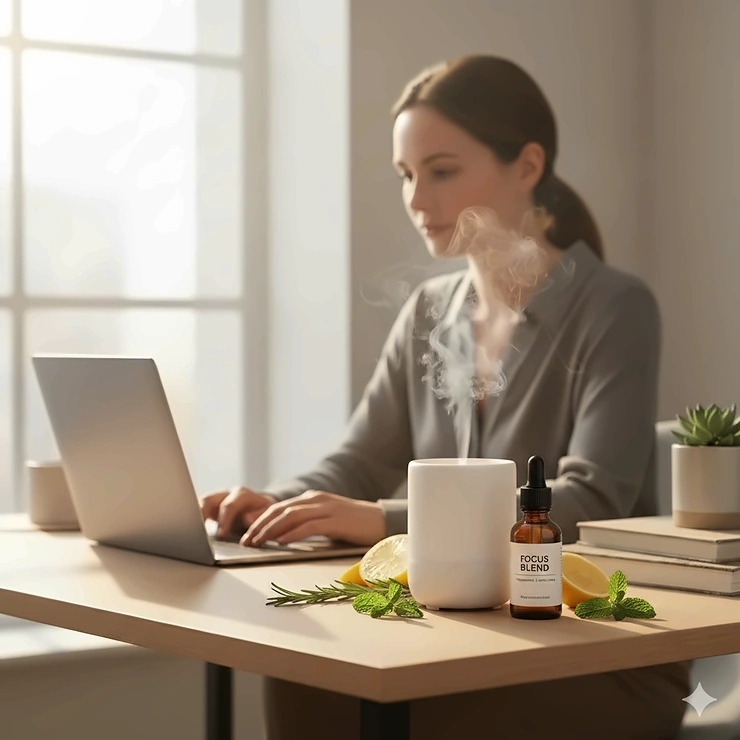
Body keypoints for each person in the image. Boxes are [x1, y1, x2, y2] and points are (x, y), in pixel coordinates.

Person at [200, 55, 690, 740]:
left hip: (583, 650)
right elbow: (356, 462)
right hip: (457, 634)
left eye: (442, 170)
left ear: (526, 166)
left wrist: (382, 521)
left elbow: (589, 504)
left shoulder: (615, 308)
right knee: (303, 675)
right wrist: (276, 506)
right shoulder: (431, 311)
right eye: (406, 175)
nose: (416, 198)